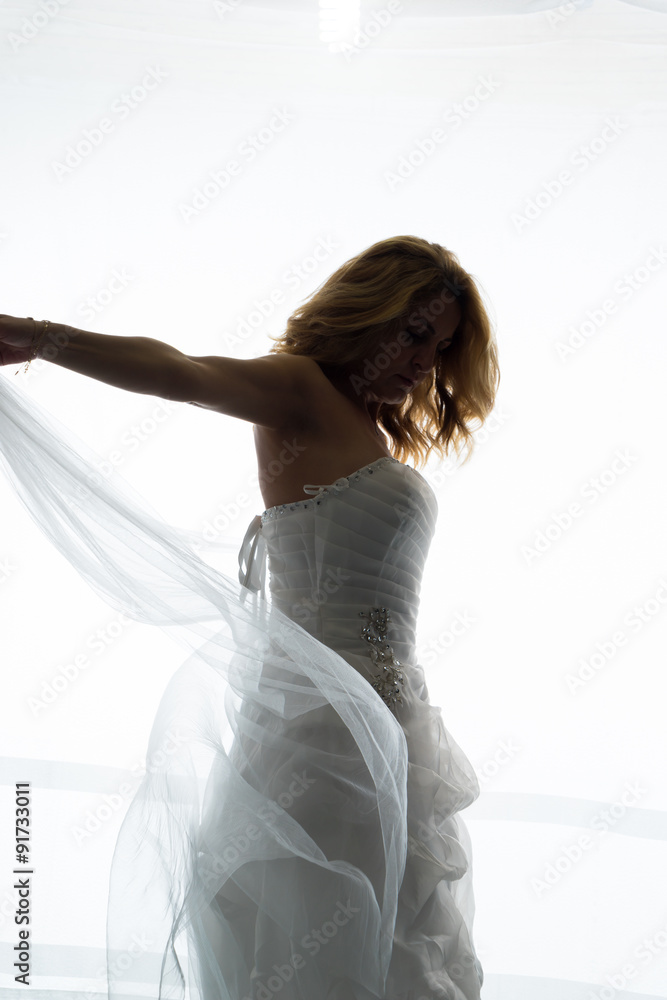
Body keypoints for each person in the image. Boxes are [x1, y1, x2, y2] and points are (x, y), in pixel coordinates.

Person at [0, 235, 499, 1000]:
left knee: (394, 955)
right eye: (411, 334)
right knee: (324, 953)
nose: (422, 363)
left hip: (392, 728)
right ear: (368, 312)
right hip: (326, 734)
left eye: (437, 349)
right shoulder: (301, 390)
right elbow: (181, 373)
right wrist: (40, 337)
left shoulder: (365, 427)